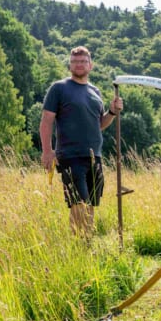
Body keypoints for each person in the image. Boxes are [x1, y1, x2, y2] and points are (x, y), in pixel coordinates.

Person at [39, 46, 124, 236]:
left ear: (90, 65)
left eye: (83, 61)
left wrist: (111, 112)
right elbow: (46, 121)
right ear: (70, 65)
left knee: (91, 203)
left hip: (94, 156)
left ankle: (87, 244)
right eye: (75, 61)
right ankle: (78, 244)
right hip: (70, 156)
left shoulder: (95, 91)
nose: (79, 65)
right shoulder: (59, 88)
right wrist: (47, 151)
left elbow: (99, 124)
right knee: (78, 203)